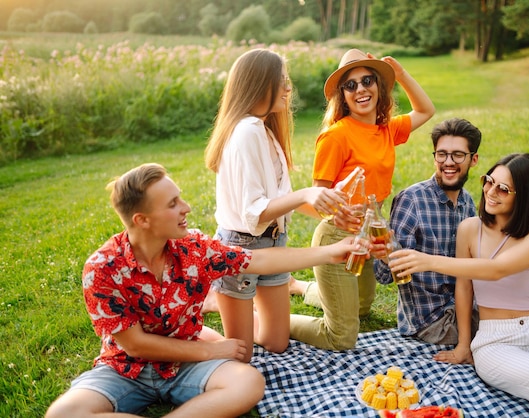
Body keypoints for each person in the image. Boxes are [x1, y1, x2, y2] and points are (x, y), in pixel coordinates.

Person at [45, 163, 358, 418]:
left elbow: (258, 258)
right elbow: (137, 345)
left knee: (248, 383)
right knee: (62, 414)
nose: (187, 207)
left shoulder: (193, 247)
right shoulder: (102, 268)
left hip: (185, 366)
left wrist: (331, 252)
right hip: (126, 369)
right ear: (142, 220)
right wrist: (210, 350)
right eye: (173, 204)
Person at [389, 153, 529, 417]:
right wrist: (464, 346)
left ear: (525, 196)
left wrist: (428, 261)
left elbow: (497, 269)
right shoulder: (469, 229)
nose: (491, 192)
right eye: (489, 181)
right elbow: (463, 287)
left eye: (503, 189)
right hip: (495, 347)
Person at [373, 118, 529, 345]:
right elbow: (385, 277)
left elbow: (484, 266)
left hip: (472, 299)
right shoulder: (411, 200)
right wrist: (387, 256)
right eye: (441, 154)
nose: (448, 162)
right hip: (434, 322)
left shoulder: (468, 201)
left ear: (473, 159)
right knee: (518, 310)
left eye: (457, 155)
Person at [202, 49, 345, 362]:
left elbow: (282, 204)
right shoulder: (245, 133)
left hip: (273, 242)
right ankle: (217, 297)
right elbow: (254, 214)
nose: (288, 90)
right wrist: (307, 193)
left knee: (277, 343)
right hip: (240, 248)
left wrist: (335, 213)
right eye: (281, 83)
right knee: (241, 356)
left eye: (287, 82)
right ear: (258, 84)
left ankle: (223, 300)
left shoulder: (265, 131)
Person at [289, 48, 436, 350]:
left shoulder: (386, 129)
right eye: (350, 85)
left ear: (379, 87)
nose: (360, 90)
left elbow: (425, 110)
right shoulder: (336, 137)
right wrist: (333, 216)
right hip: (336, 237)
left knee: (363, 306)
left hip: (367, 234)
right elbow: (318, 198)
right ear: (342, 96)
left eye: (367, 80)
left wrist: (401, 74)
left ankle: (300, 287)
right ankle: (273, 320)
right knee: (342, 336)